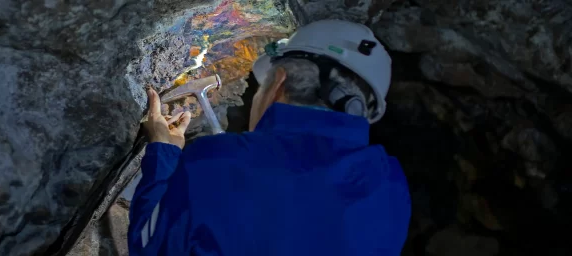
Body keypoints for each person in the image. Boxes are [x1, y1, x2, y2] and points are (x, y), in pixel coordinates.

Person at [129, 20, 410, 255]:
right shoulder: (392, 186)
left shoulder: (215, 162)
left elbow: (147, 246)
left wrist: (163, 154)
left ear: (278, 84)